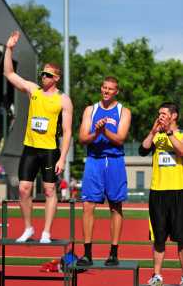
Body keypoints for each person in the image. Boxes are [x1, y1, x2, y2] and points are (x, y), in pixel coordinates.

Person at [4, 31, 73, 243]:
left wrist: (62, 158)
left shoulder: (63, 100)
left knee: (49, 189)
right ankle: (28, 228)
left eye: (48, 75)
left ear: (57, 78)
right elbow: (9, 74)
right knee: (24, 189)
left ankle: (46, 232)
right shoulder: (33, 90)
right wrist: (9, 49)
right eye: (42, 74)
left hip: (50, 150)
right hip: (31, 148)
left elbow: (68, 131)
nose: (44, 77)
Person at [78, 76, 131, 266]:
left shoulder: (123, 111)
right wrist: (96, 133)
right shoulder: (90, 110)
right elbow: (83, 138)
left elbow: (120, 138)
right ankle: (87, 253)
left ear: (116, 91)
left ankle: (114, 252)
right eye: (104, 88)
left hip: (115, 160)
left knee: (115, 205)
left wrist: (104, 131)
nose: (106, 91)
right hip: (94, 160)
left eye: (111, 89)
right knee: (88, 205)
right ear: (101, 89)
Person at [139, 102, 183, 286]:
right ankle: (157, 275)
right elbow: (143, 150)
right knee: (158, 237)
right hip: (157, 191)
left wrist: (170, 133)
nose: (161, 116)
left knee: (182, 237)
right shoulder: (156, 135)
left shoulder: (180, 134)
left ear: (174, 116)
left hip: (179, 191)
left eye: (164, 114)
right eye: (159, 114)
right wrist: (153, 131)